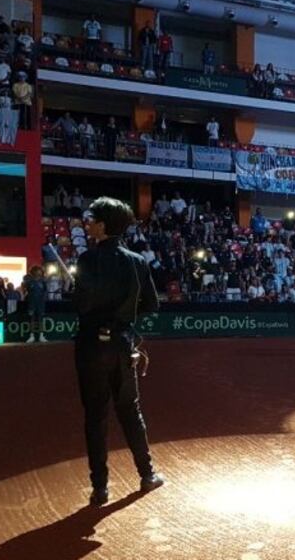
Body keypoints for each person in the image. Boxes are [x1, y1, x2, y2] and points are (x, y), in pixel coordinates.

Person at [74, 197, 164, 506]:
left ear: (103, 224)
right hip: (122, 343)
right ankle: (147, 474)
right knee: (130, 410)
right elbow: (152, 304)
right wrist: (124, 316)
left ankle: (100, 489)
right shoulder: (137, 261)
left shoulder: (86, 260)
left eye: (92, 219)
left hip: (90, 346)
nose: (88, 224)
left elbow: (81, 305)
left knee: (95, 416)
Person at [23, 265, 48, 343]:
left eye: (40, 271)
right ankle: (32, 336)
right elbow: (26, 290)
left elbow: (45, 291)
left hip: (40, 303)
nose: (39, 272)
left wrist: (43, 299)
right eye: (38, 270)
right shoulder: (29, 282)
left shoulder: (43, 282)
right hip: (31, 303)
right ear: (34, 272)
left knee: (40, 319)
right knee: (32, 319)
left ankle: (41, 335)